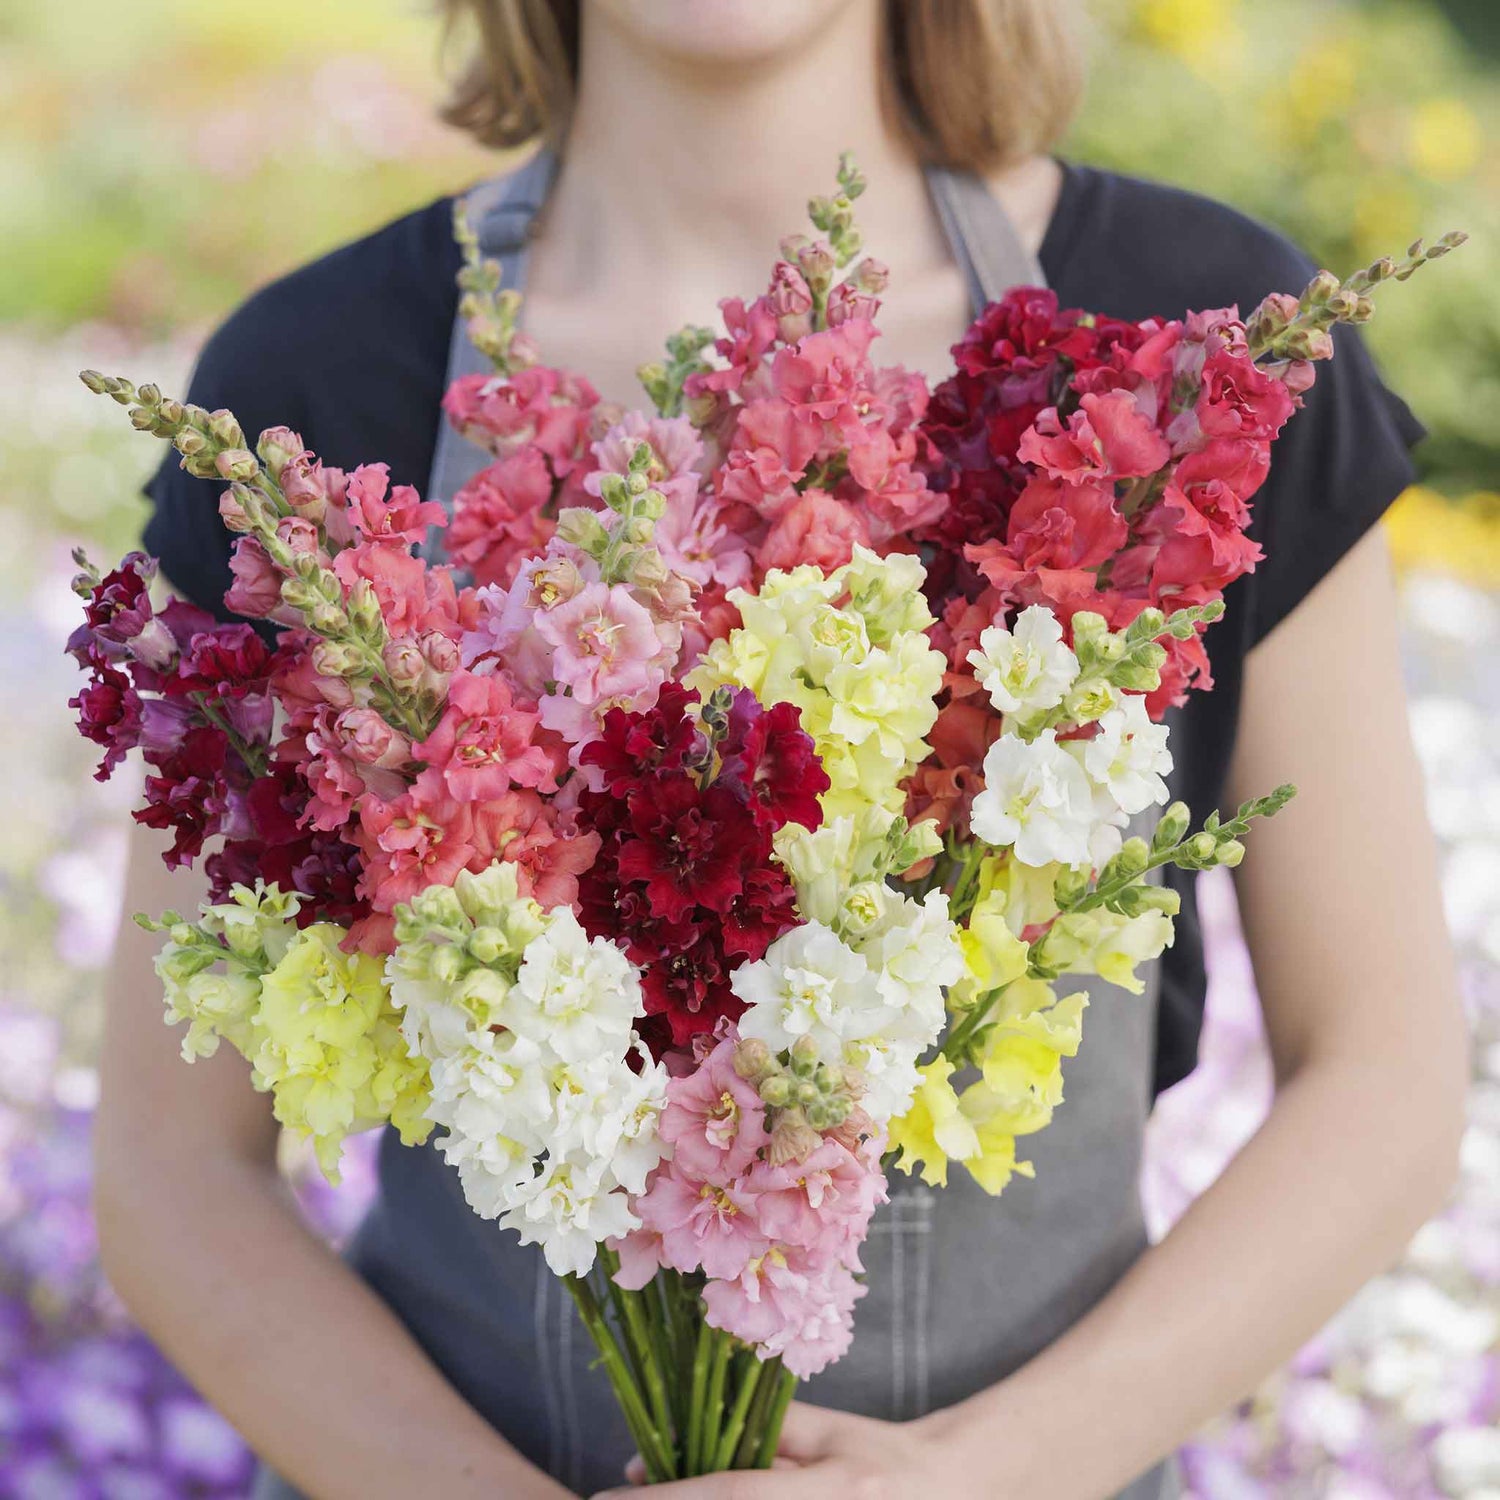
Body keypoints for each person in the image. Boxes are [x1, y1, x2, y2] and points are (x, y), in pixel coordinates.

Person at [93, 2, 1469, 1497]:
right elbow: (179, 1173)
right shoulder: (309, 396)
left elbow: (1383, 1080)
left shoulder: (1193, 357)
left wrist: (970, 1476)